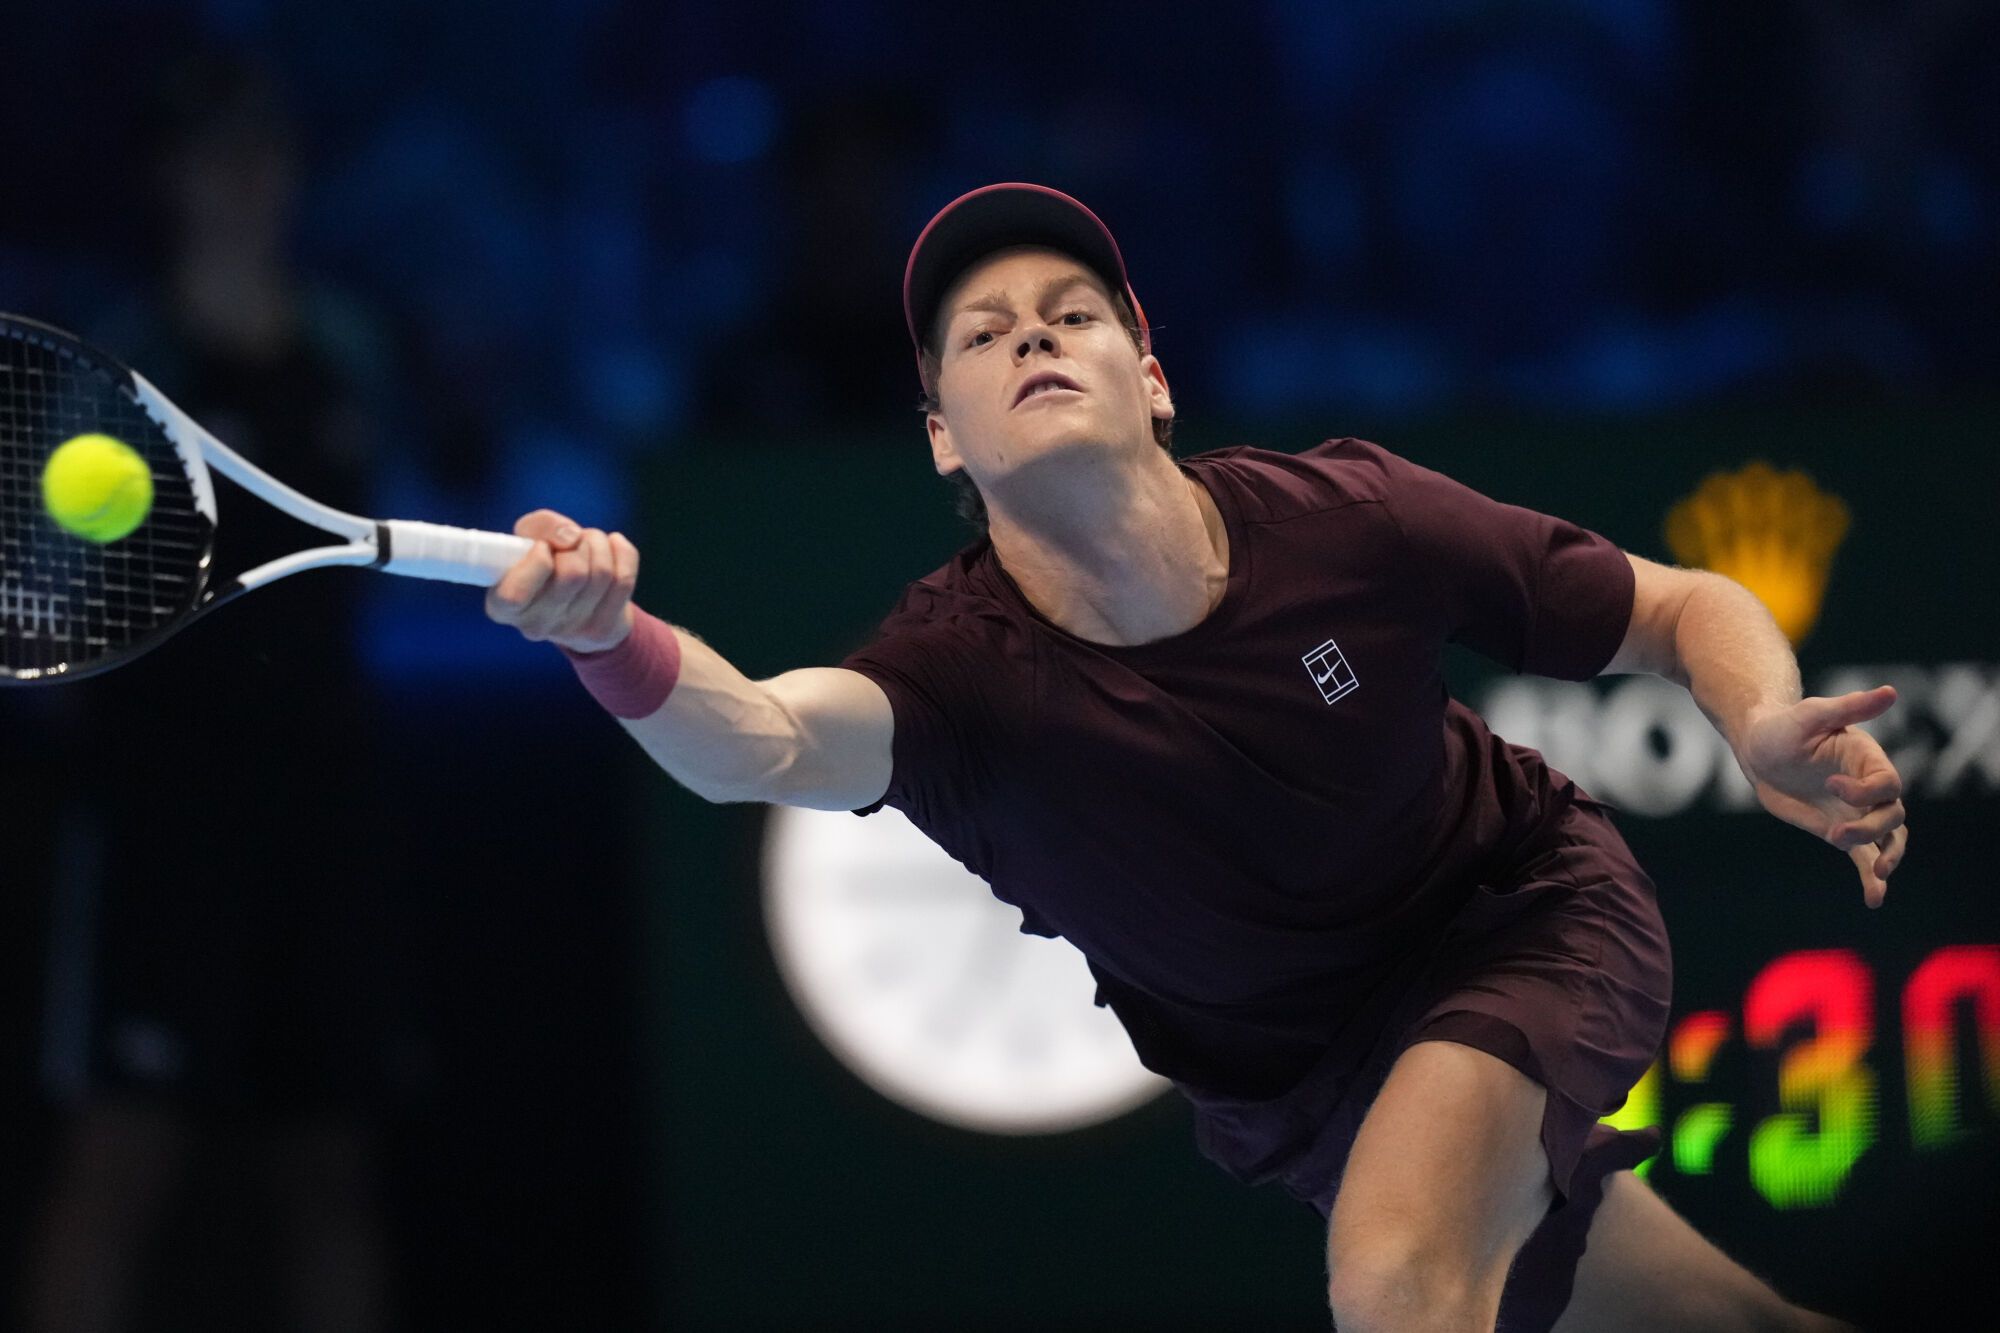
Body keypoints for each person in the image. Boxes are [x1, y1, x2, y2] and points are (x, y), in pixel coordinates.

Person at [484, 183, 1906, 1331]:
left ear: (1151, 377)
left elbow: (1675, 606)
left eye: (1071, 314)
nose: (1032, 338)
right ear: (939, 441)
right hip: (1307, 1087)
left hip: (1517, 922)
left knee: (1399, 1281)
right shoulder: (959, 673)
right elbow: (767, 740)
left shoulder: (1353, 519)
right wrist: (608, 633)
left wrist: (1757, 716)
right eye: (982, 337)